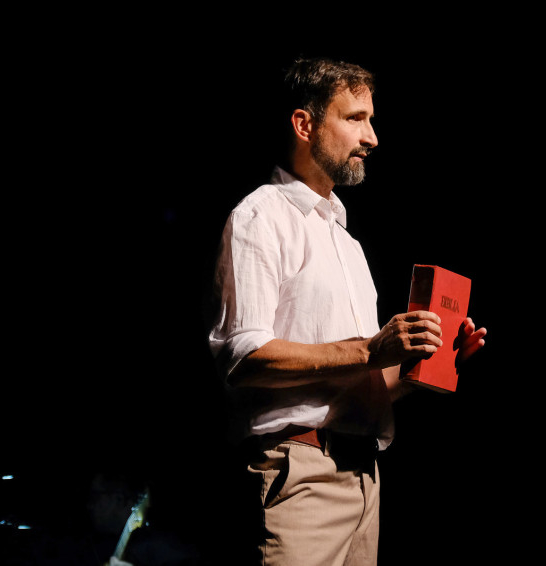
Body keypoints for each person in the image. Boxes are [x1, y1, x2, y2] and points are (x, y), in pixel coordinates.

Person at [206, 56, 487, 566]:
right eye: (355, 118)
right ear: (304, 124)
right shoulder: (260, 216)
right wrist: (371, 349)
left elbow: (360, 380)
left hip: (365, 481)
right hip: (301, 477)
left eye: (371, 120)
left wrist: (424, 363)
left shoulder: (346, 242)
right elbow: (241, 357)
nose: (372, 137)